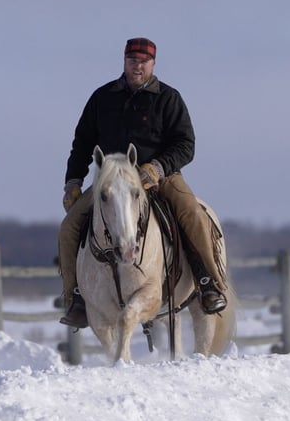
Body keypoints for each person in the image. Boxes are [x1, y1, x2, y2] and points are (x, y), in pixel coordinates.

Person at [58, 37, 228, 329]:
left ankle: (208, 282)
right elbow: (82, 143)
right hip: (113, 179)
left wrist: (159, 168)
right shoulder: (102, 98)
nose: (137, 66)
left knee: (193, 214)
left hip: (159, 176)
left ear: (153, 63)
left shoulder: (168, 98)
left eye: (143, 61)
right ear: (124, 61)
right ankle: (76, 296)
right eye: (132, 60)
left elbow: (186, 144)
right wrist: (73, 182)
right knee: (70, 225)